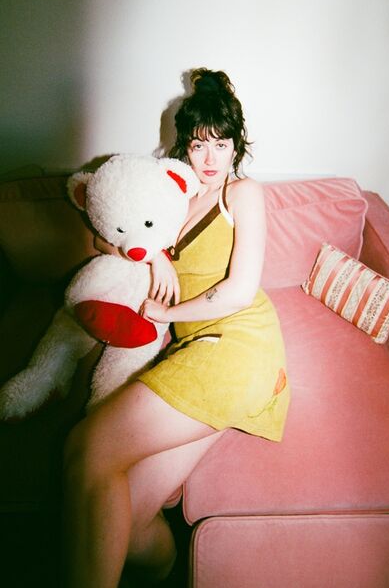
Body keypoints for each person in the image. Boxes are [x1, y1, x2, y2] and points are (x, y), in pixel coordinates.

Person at [63, 68, 290, 588]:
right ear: (184, 146)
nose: (209, 159)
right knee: (126, 522)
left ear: (236, 147)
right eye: (198, 145)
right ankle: (167, 571)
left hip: (239, 345)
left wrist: (165, 313)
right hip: (199, 353)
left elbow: (238, 291)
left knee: (88, 448)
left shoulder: (243, 193)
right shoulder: (170, 196)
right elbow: (104, 238)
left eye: (220, 145)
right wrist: (153, 254)